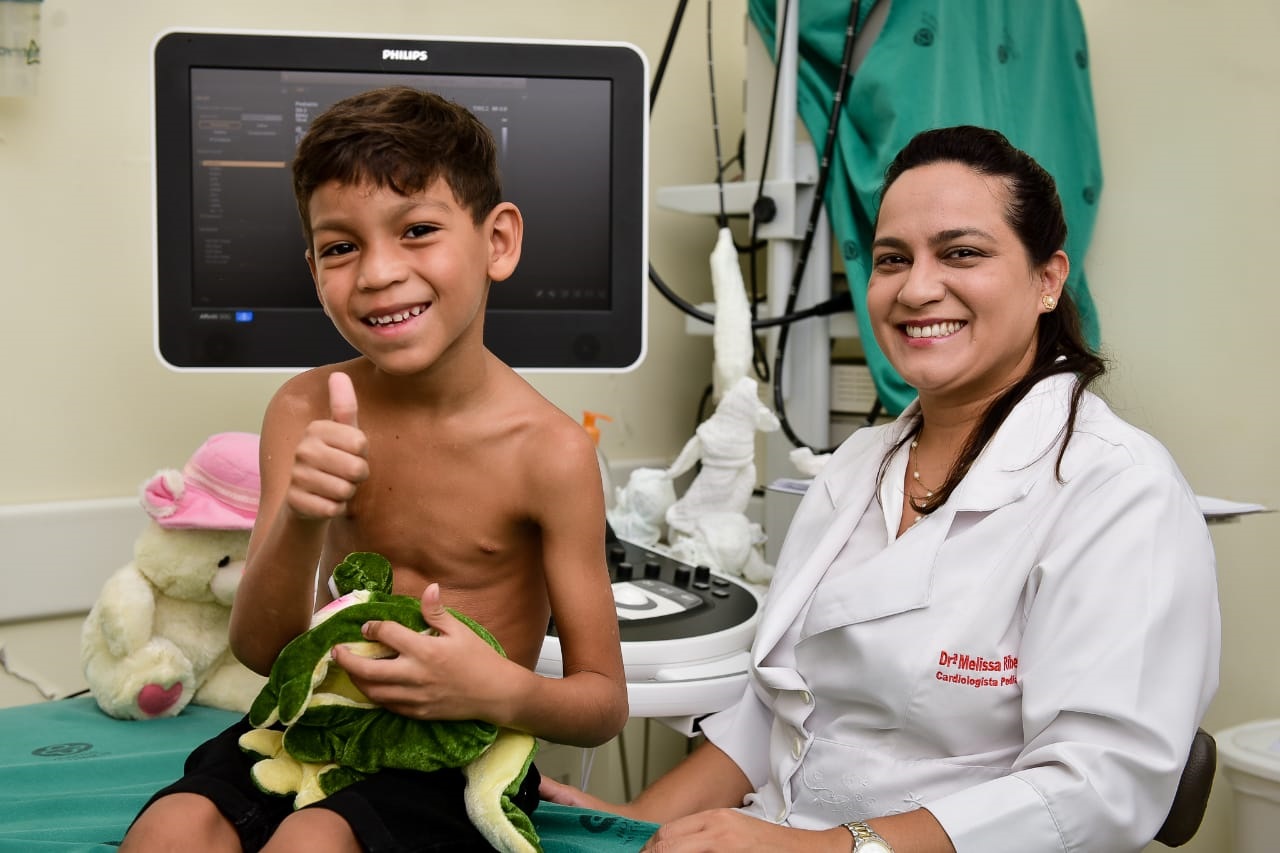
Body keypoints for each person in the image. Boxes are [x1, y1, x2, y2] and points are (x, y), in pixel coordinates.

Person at [541, 125, 1220, 853]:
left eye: (962, 252)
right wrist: (628, 828)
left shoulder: (1118, 489)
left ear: (1048, 278)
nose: (918, 287)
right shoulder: (859, 465)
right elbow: (768, 715)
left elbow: (1097, 788)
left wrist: (828, 846)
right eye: (893, 259)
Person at [122, 86, 628, 852]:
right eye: (340, 246)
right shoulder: (305, 407)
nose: (378, 272)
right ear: (314, 266)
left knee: (312, 843)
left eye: (418, 230)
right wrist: (300, 513)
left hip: (458, 751)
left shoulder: (549, 451)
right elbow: (263, 649)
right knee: (169, 829)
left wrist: (495, 689)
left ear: (498, 241)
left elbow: (602, 703)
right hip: (318, 719)